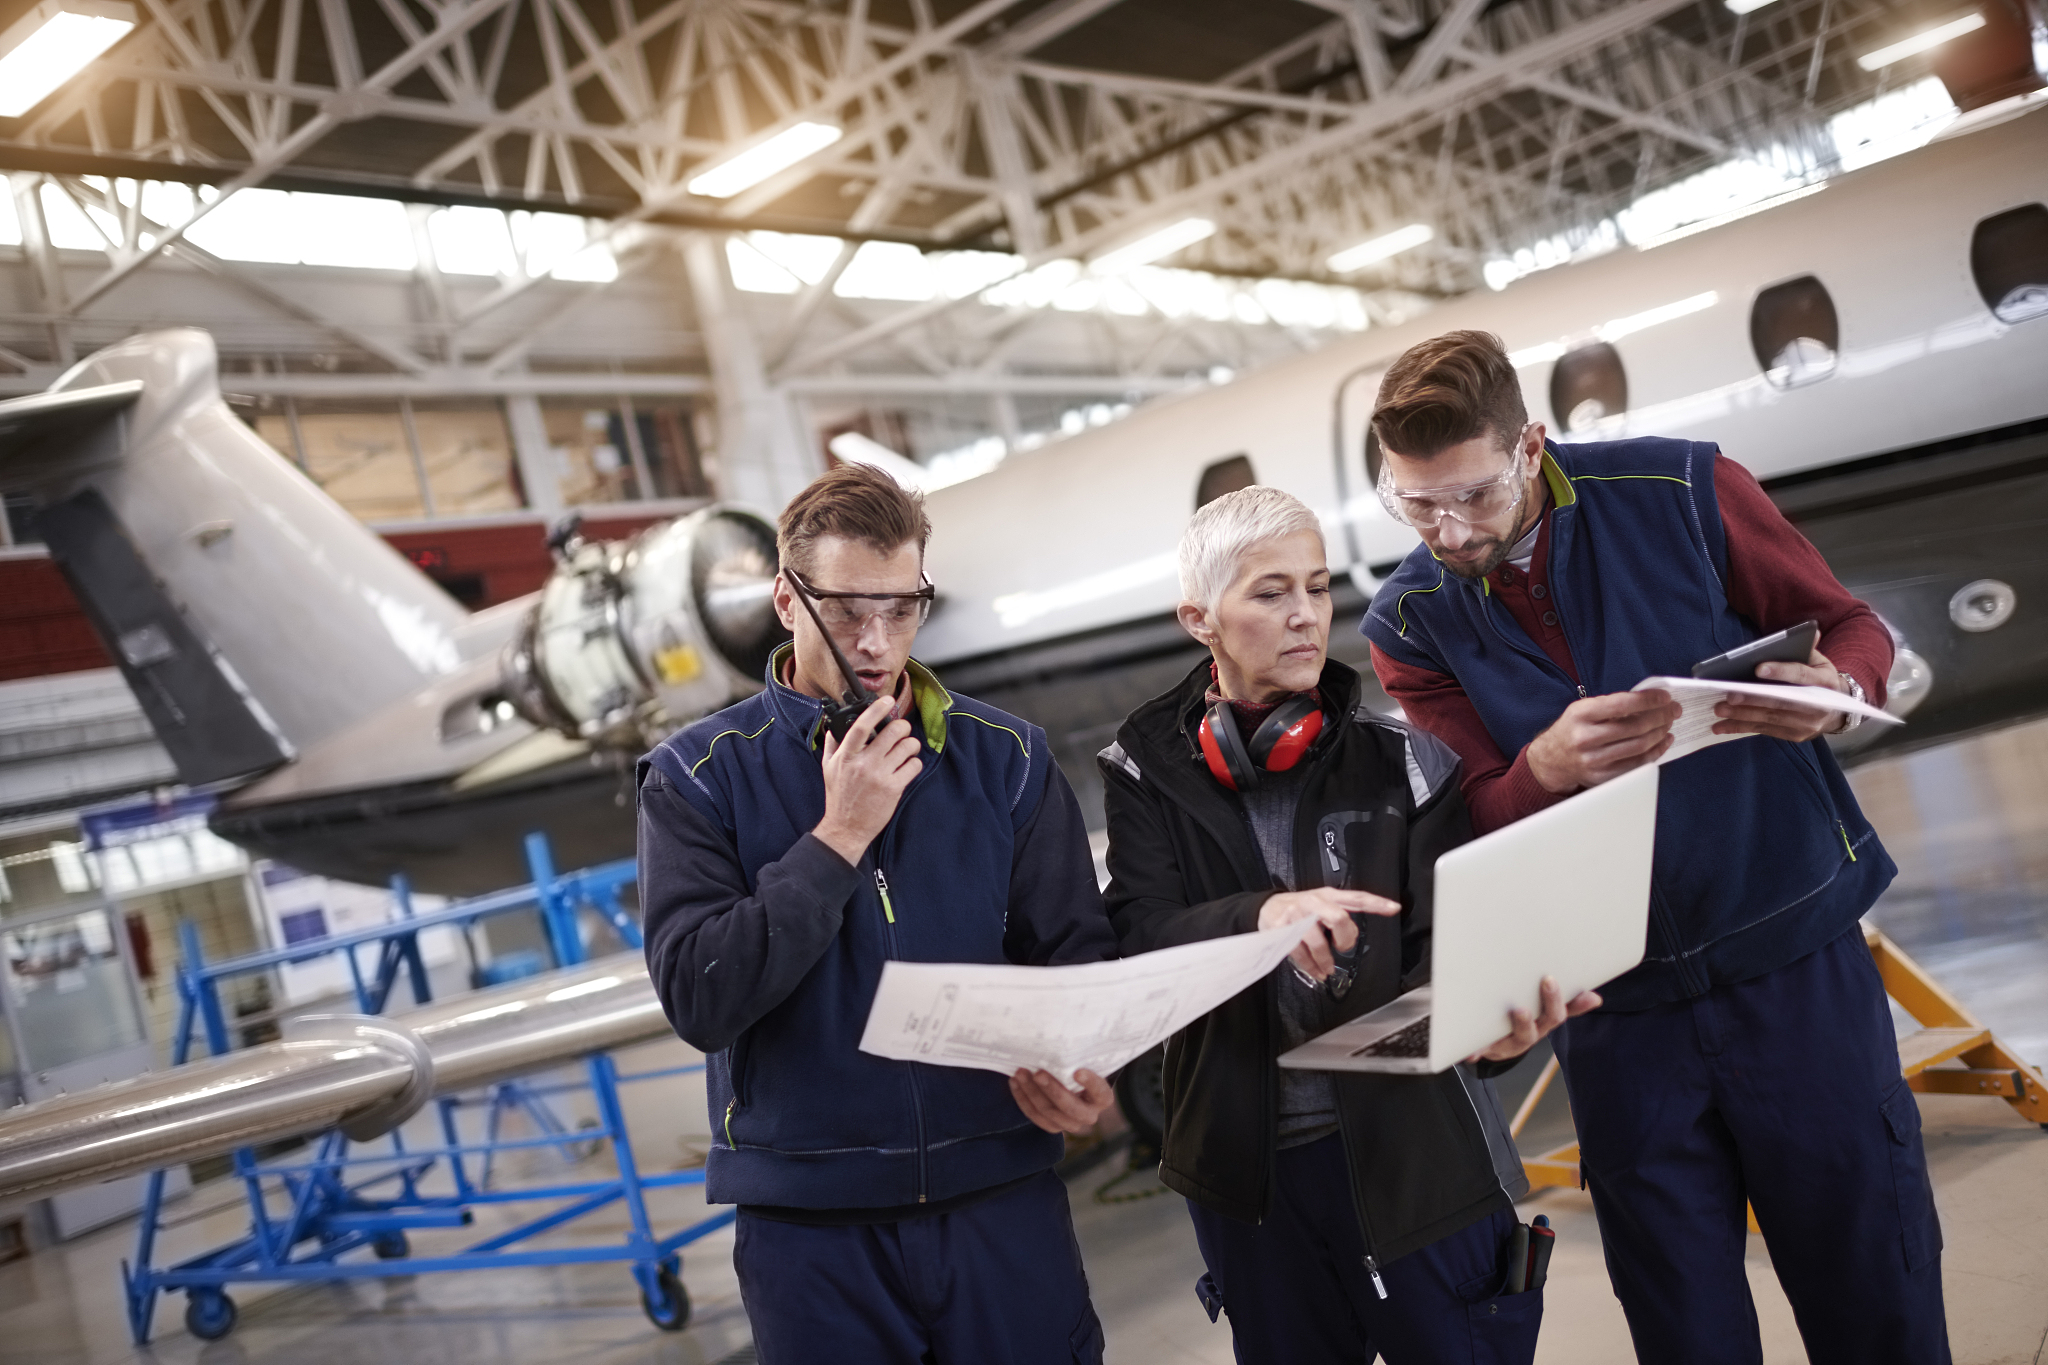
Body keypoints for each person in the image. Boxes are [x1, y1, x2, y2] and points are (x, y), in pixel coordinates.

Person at [1361, 330, 1946, 1365]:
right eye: (1415, 505)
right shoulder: (1409, 624)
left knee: (1872, 1290)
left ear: (1529, 445)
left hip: (1790, 963)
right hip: (1615, 1016)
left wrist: (1838, 690)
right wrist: (1539, 769)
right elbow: (1463, 818)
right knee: (1683, 1325)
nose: (1449, 530)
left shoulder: (1682, 490)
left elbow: (1847, 624)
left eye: (1473, 496)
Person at [1098, 485, 1592, 1365]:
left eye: (1318, 587)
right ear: (1199, 619)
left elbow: (1453, 962)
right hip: (1251, 1186)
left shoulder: (1408, 763)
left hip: (1420, 1170)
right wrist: (1261, 917)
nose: (1306, 615)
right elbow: (1139, 936)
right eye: (1271, 591)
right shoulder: (1144, 769)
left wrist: (1496, 1033)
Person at [638, 463, 1119, 1365]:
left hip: (1001, 1203)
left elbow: (1074, 960)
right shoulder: (698, 778)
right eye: (848, 610)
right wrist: (838, 837)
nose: (876, 640)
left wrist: (1088, 1069)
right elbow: (700, 996)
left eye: (902, 609)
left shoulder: (1007, 758)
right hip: (812, 1235)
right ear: (787, 600)